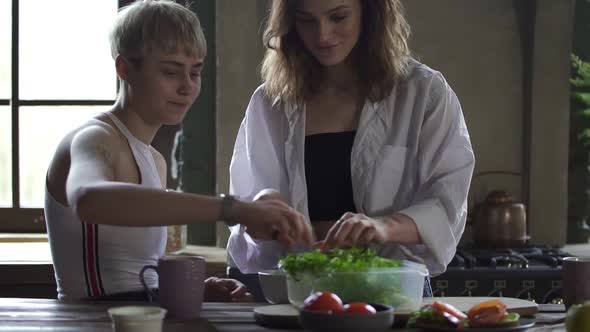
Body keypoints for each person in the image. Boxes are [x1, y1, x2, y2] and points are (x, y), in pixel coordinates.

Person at [44, 0, 313, 302]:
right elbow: (86, 198)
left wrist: (192, 288)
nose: (187, 87)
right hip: (86, 323)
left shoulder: (154, 160)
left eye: (194, 73)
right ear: (124, 69)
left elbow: (130, 275)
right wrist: (233, 208)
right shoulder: (94, 138)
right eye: (171, 72)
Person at [226, 0, 475, 300]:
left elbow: (447, 205)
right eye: (307, 21)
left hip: (392, 290)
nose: (322, 35)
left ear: (370, 13)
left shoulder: (423, 94)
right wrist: (264, 205)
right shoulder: (271, 102)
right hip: (301, 290)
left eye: (338, 17)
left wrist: (384, 227)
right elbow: (248, 206)